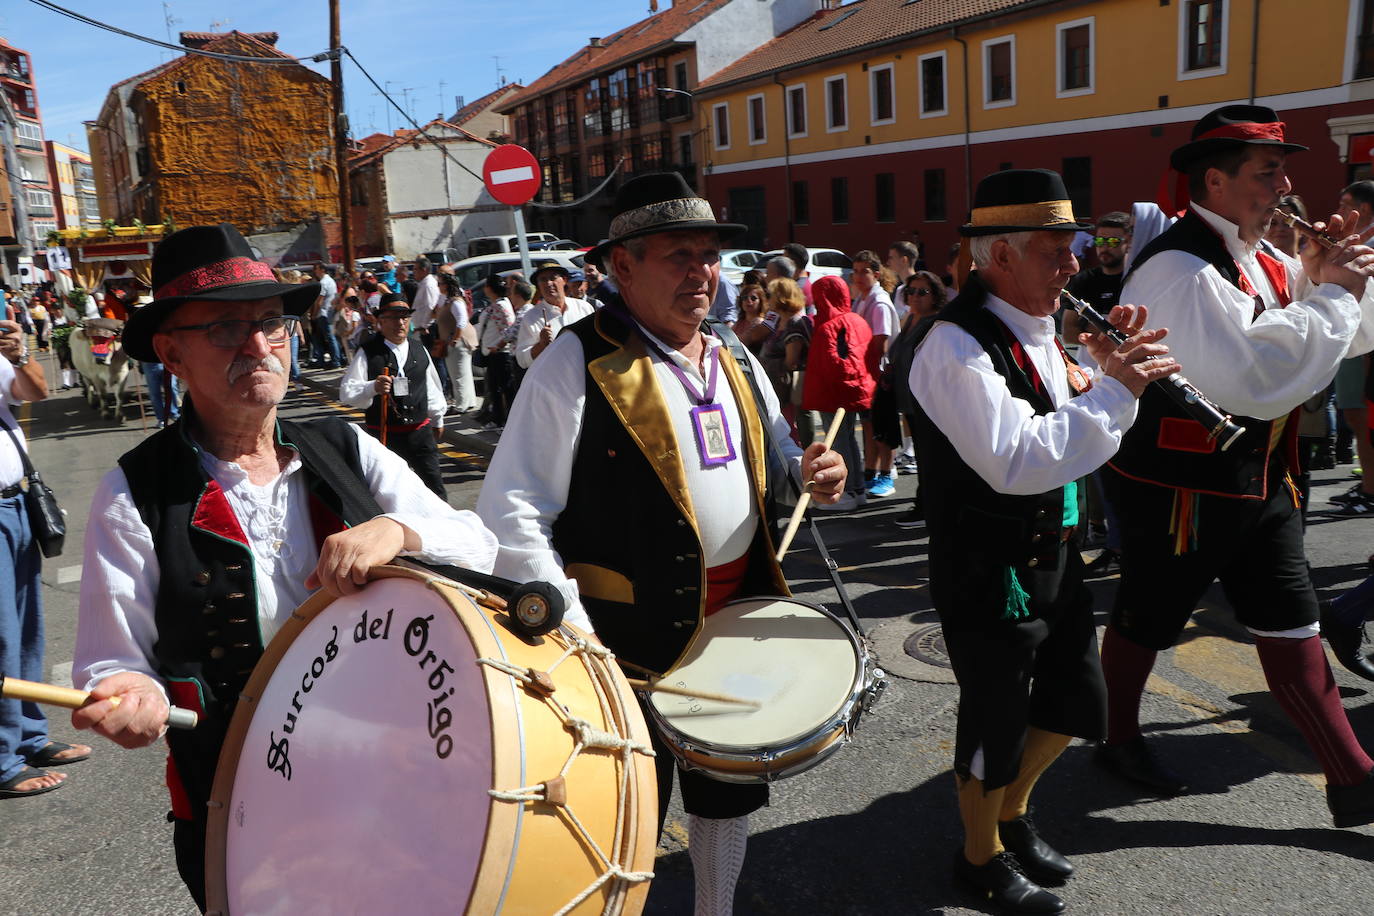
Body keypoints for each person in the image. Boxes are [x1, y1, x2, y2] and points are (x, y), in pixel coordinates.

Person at [69, 224, 496, 906]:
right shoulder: (134, 491)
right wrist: (132, 692)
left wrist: (397, 529)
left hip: (390, 783)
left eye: (272, 322)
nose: (258, 344)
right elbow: (109, 656)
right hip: (238, 803)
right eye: (224, 328)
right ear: (170, 352)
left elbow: (477, 545)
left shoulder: (342, 445)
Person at [475, 172, 846, 916]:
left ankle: (716, 909)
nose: (701, 273)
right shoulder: (575, 362)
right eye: (678, 255)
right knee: (626, 808)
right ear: (623, 267)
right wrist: (575, 638)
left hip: (737, 620)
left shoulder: (734, 354)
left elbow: (772, 453)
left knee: (724, 798)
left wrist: (813, 468)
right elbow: (511, 507)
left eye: (708, 255)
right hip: (623, 641)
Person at [1095, 105, 1374, 829]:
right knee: (1146, 619)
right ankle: (1117, 734)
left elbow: (1328, 349)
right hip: (1180, 488)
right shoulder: (1181, 268)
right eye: (1267, 172)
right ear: (1213, 180)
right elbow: (1254, 373)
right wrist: (1335, 293)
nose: (1283, 186)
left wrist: (1326, 281)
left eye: (1283, 169)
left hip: (1260, 479)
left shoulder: (1269, 257)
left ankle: (1355, 780)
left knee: (1293, 624)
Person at [908, 169, 1179, 914]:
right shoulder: (953, 347)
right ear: (1000, 257)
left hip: (1052, 549)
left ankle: (1010, 814)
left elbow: (1065, 433)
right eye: (1055, 250)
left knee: (1070, 702)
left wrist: (1100, 372)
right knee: (995, 718)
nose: (1074, 263)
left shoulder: (1039, 330)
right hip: (988, 565)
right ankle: (978, 856)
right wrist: (1120, 390)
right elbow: (1017, 459)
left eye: (1074, 247)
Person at [0, 307, 89, 800]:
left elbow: (36, 391)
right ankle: (2, 759)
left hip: (15, 506)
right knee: (1, 637)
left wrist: (20, 352)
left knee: (28, 630)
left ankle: (29, 738)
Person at [339, 294, 448, 499]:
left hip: (420, 433)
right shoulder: (368, 352)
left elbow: (432, 387)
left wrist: (438, 418)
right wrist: (373, 387)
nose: (400, 323)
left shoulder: (419, 349)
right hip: (384, 436)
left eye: (404, 317)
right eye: (394, 317)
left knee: (435, 488)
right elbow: (347, 392)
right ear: (381, 321)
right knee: (389, 493)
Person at [802, 275, 874, 513]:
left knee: (839, 440)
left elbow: (833, 363)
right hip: (854, 389)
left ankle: (846, 493)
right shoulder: (857, 319)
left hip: (832, 392)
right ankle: (858, 488)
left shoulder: (828, 327)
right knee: (851, 439)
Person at [888, 270, 947, 528]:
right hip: (908, 402)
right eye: (910, 291)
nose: (915, 296)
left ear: (935, 295)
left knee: (930, 458)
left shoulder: (936, 323)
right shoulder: (910, 318)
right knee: (923, 456)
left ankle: (926, 507)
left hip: (927, 404)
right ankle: (926, 504)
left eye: (922, 292)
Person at [851, 250, 900, 498]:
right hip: (866, 373)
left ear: (876, 274)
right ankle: (870, 472)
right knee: (869, 427)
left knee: (883, 429)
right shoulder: (862, 299)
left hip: (879, 374)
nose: (859, 276)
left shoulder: (879, 302)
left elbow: (880, 342)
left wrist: (869, 373)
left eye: (865, 271)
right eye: (856, 271)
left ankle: (886, 475)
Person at [513, 261, 595, 370]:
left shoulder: (583, 307)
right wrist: (541, 345)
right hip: (555, 380)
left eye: (553, 278)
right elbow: (522, 360)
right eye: (543, 279)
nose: (548, 283)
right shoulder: (531, 318)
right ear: (538, 286)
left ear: (564, 280)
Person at [438, 274, 477, 412]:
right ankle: (469, 401)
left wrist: (454, 339)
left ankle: (461, 405)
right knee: (463, 373)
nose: (438, 286)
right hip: (455, 342)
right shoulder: (449, 301)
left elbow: (461, 321)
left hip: (459, 343)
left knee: (458, 374)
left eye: (440, 283)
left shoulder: (456, 302)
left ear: (447, 285)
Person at [308, 262, 341, 368]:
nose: (315, 271)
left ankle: (335, 361)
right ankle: (334, 360)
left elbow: (319, 301)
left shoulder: (323, 283)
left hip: (323, 313)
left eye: (316, 269)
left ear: (322, 269)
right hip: (330, 312)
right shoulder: (331, 281)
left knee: (326, 338)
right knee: (330, 337)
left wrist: (314, 314)